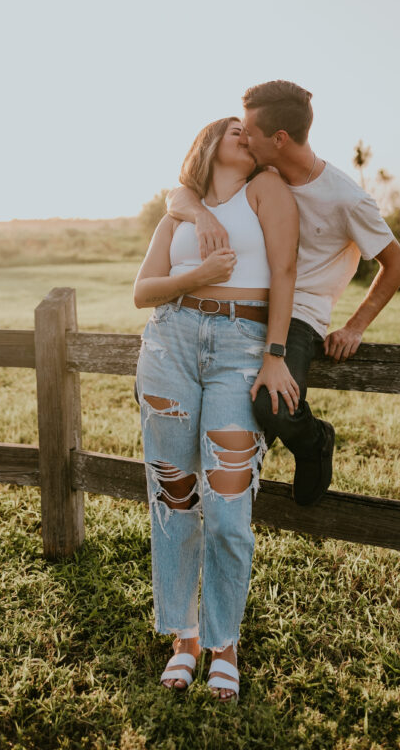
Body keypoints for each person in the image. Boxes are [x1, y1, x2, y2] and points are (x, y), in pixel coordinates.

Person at [167, 80, 400, 507]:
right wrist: (202, 216)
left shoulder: (347, 199)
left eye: (250, 131)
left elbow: (397, 263)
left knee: (272, 406)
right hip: (247, 303)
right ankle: (229, 485)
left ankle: (315, 441)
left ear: (278, 139)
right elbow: (183, 187)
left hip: (300, 314)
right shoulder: (263, 171)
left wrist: (354, 326)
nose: (244, 138)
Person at [133, 116, 299, 701]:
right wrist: (198, 267)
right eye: (229, 125)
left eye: (246, 127)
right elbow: (142, 290)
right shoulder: (181, 208)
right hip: (169, 342)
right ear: (207, 143)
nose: (241, 131)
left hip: (241, 346)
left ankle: (225, 642)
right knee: (174, 492)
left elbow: (284, 272)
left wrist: (275, 353)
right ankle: (186, 638)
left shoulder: (267, 189)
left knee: (229, 506)